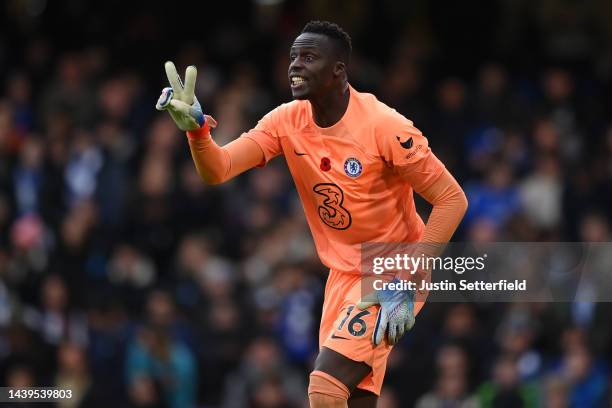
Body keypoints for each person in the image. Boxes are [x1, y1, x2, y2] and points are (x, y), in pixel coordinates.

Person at [156, 20, 467, 408]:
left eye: (308, 57)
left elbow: (452, 199)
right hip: (341, 277)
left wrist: (408, 278)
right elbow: (218, 169)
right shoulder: (286, 121)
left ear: (339, 69)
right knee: (352, 400)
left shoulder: (385, 127)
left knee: (325, 387)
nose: (295, 66)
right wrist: (198, 132)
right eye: (292, 57)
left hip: (392, 270)